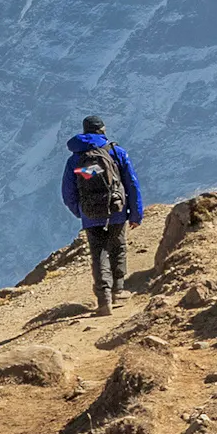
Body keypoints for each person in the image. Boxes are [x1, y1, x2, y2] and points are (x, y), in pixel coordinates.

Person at [59, 115, 144, 316]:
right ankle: (118, 292)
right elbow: (131, 183)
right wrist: (135, 213)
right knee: (118, 247)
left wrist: (80, 211)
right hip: (116, 210)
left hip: (91, 214)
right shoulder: (116, 152)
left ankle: (104, 301)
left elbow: (68, 191)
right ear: (102, 130)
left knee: (99, 254)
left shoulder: (75, 159)